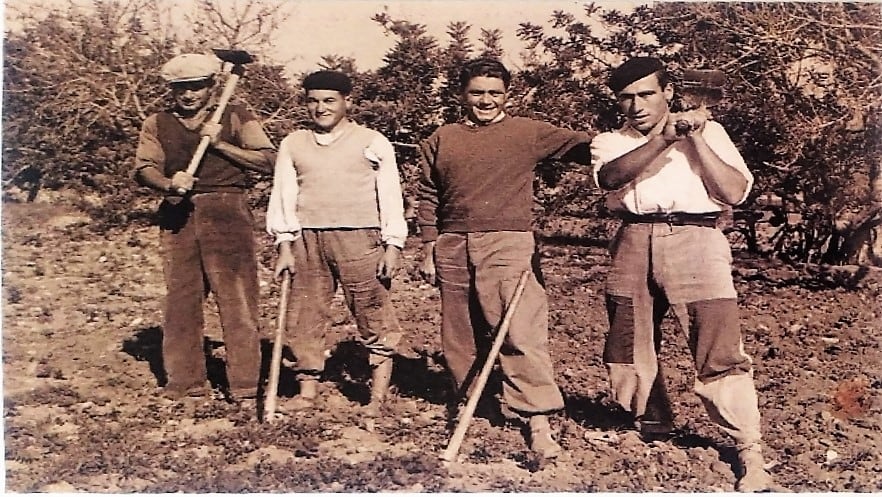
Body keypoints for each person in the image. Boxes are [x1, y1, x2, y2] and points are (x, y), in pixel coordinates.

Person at [591, 56, 778, 492]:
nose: (636, 105)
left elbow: (733, 191)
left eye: (646, 94)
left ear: (668, 92)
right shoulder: (609, 141)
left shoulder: (709, 132)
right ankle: (651, 424)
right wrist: (665, 137)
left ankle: (749, 450)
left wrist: (694, 139)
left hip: (697, 237)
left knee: (718, 344)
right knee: (628, 340)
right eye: (626, 97)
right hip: (634, 239)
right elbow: (612, 178)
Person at [417, 57, 593, 458]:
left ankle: (538, 419)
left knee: (517, 329)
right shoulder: (443, 137)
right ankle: (473, 404)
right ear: (462, 94)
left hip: (507, 240)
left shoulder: (527, 132)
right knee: (459, 332)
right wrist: (429, 245)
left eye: (494, 93)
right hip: (452, 242)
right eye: (477, 92)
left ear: (507, 95)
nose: (485, 100)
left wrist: (641, 138)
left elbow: (588, 147)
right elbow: (427, 195)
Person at [133, 53, 276, 405]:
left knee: (237, 299)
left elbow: (269, 160)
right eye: (181, 88)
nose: (189, 95)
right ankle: (185, 382)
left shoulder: (235, 114)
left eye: (196, 87)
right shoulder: (157, 122)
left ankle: (244, 385)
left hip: (227, 210)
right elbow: (144, 167)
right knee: (181, 301)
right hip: (178, 213)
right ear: (172, 89)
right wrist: (168, 184)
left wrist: (221, 144)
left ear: (212, 86)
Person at [266, 70, 408, 416]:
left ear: (348, 102)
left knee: (372, 311)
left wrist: (393, 244)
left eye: (329, 100)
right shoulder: (294, 143)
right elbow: (283, 195)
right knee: (305, 316)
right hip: (308, 238)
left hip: (359, 237)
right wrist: (285, 245)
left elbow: (390, 194)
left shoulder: (371, 141)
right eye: (313, 101)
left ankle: (376, 397)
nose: (320, 108)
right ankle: (308, 389)